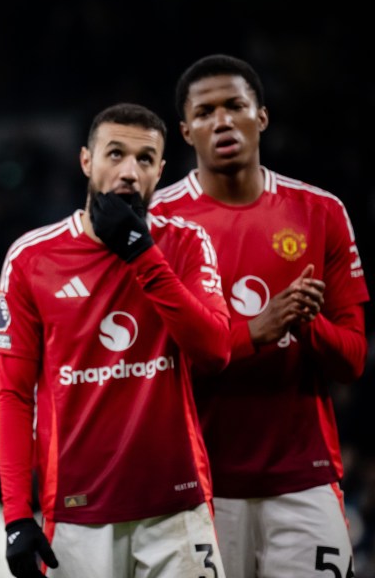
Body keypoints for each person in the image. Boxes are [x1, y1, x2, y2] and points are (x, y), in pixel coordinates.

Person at [151, 54, 369, 578]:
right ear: (186, 131)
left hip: (304, 480)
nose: (222, 121)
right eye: (205, 113)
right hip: (199, 483)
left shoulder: (320, 212)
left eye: (235, 106)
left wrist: (305, 324)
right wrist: (256, 331)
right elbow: (159, 364)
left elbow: (354, 361)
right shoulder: (158, 223)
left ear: (261, 117)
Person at [0, 103, 232, 578]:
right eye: (115, 154)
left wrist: (141, 253)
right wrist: (17, 514)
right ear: (86, 160)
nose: (128, 172)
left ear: (161, 172)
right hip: (79, 514)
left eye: (145, 160)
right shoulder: (31, 259)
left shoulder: (185, 243)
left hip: (176, 509)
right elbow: (14, 395)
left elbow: (215, 351)